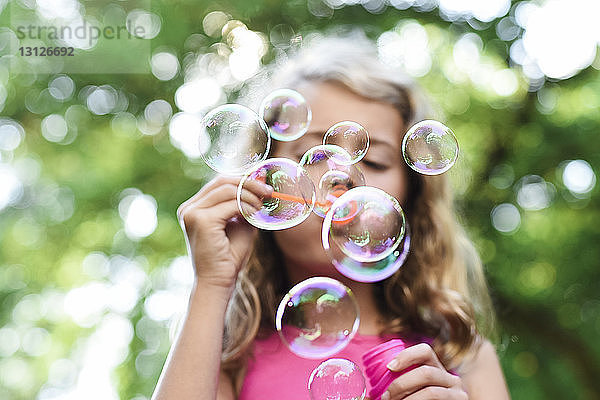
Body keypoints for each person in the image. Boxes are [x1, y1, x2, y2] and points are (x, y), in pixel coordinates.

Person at [152, 32, 511, 400]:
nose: (342, 176)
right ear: (262, 178)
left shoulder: (462, 355)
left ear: (412, 196)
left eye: (373, 161)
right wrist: (212, 284)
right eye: (313, 153)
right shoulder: (228, 356)